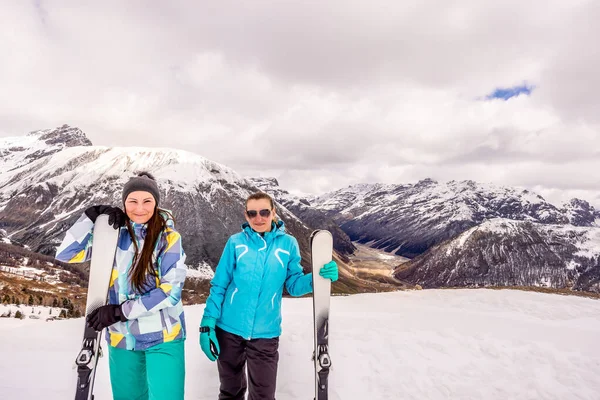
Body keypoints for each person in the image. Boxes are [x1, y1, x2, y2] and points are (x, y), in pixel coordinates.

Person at [56, 172, 188, 400]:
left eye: (147, 201)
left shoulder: (168, 237)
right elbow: (67, 253)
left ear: (156, 203)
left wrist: (119, 311)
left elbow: (170, 292)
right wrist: (90, 217)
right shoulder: (112, 237)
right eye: (132, 201)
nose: (139, 208)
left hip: (164, 337)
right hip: (122, 339)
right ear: (124, 202)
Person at [199, 191, 338, 400]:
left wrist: (316, 278)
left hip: (266, 333)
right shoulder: (235, 243)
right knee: (230, 392)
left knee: (263, 395)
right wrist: (208, 322)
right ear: (246, 216)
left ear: (273, 213)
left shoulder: (288, 244)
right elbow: (220, 284)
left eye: (264, 212)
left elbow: (292, 284)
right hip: (228, 330)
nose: (259, 218)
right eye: (252, 213)